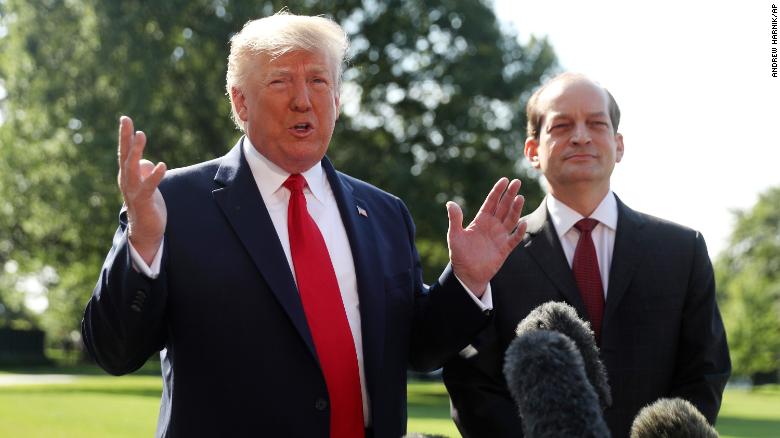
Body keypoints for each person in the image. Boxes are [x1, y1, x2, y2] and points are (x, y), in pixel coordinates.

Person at [81, 12, 527, 438]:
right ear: (240, 102)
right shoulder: (172, 203)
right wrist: (143, 241)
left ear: (336, 100)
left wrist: (465, 281)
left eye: (318, 81)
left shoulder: (385, 213)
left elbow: (418, 348)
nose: (303, 99)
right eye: (280, 81)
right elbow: (115, 350)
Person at [442, 73, 731, 438]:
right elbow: (472, 384)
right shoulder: (493, 254)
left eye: (596, 123)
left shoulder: (682, 249)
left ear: (618, 144)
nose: (581, 135)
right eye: (561, 125)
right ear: (532, 151)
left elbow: (705, 373)